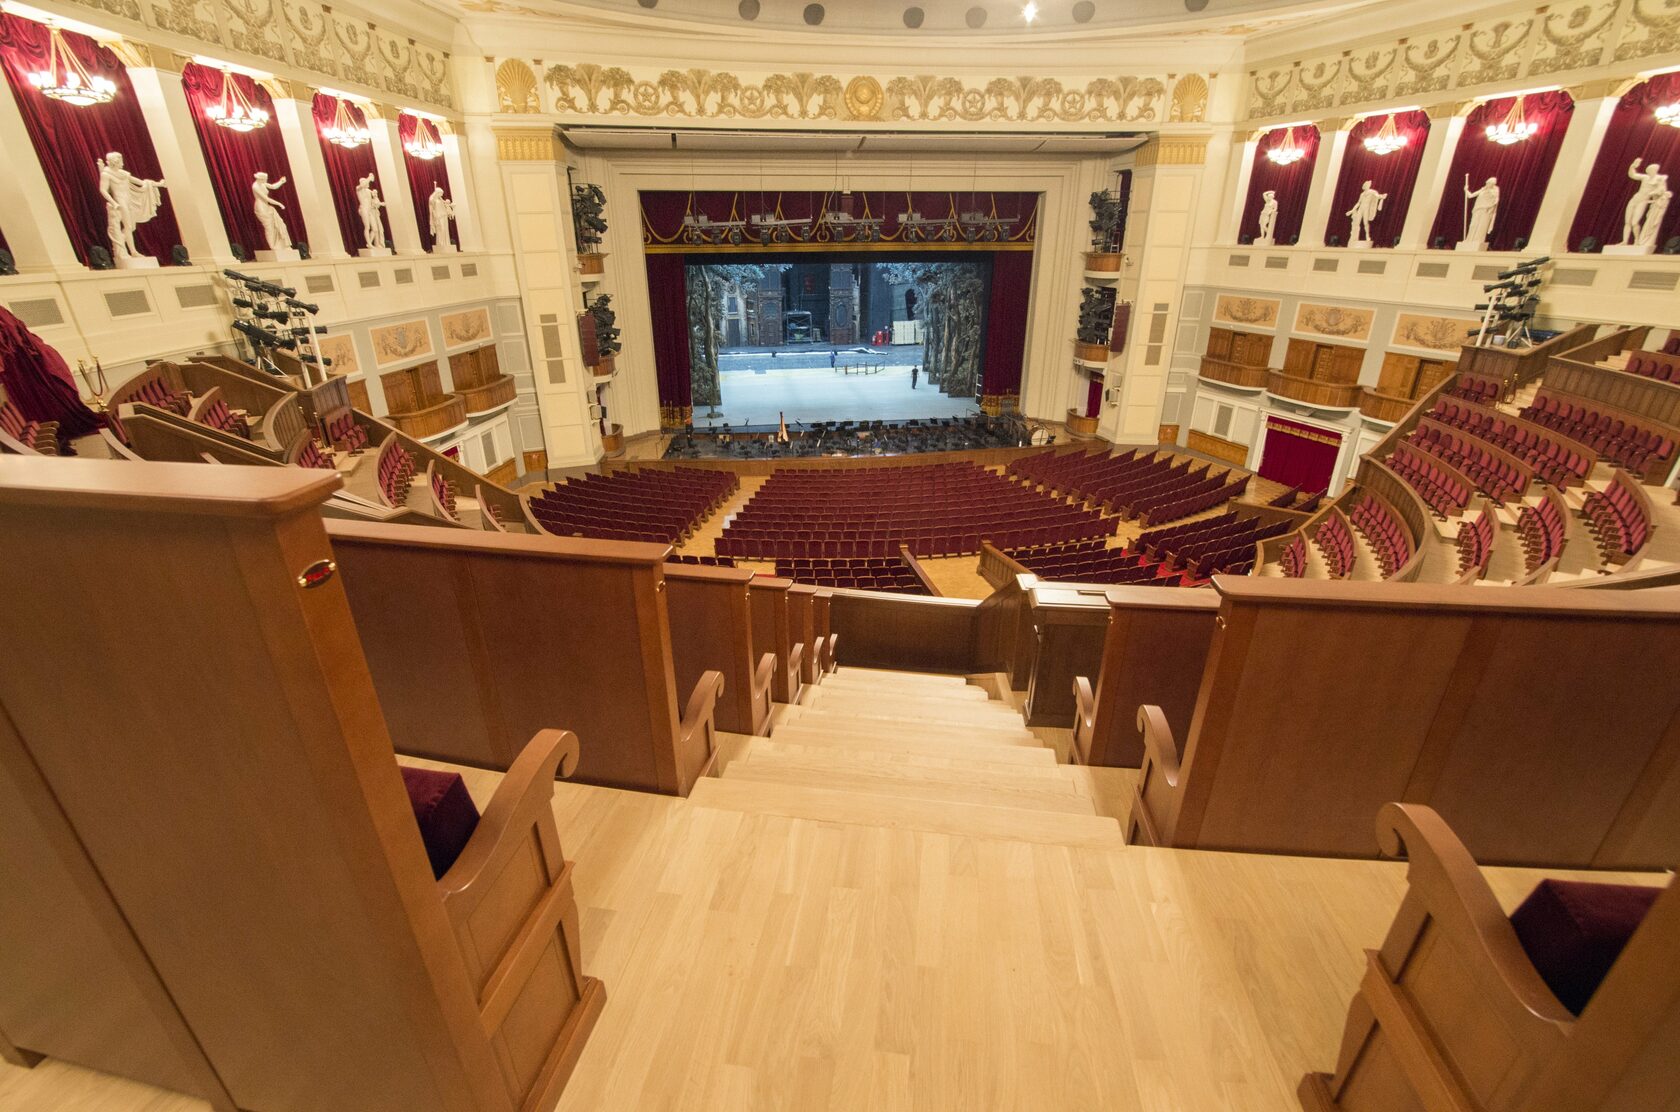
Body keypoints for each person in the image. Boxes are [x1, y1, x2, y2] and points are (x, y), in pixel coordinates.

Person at [97, 152, 167, 263]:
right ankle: (133, 251)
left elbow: (142, 183)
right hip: (120, 202)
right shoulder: (106, 174)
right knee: (128, 226)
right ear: (115, 162)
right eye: (120, 161)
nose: (122, 163)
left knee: (132, 227)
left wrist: (159, 184)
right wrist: (113, 203)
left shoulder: (124, 174)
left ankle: (120, 243)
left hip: (129, 201)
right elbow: (103, 190)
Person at [251, 172, 290, 252]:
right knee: (269, 228)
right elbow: (267, 199)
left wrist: (281, 182)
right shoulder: (255, 186)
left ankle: (279, 245)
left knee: (276, 225)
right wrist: (279, 204)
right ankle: (273, 246)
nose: (266, 180)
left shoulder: (262, 183)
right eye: (265, 179)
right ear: (260, 179)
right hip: (261, 208)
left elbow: (273, 186)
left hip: (266, 206)